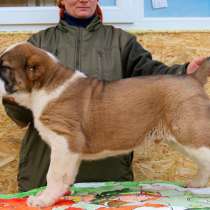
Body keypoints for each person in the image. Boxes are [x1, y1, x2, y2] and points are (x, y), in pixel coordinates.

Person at [2, 0, 206, 192]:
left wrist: (184, 73)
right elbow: (20, 115)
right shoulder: (37, 46)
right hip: (44, 169)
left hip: (108, 171)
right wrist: (11, 95)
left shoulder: (121, 41)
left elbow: (151, 76)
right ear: (60, 0)